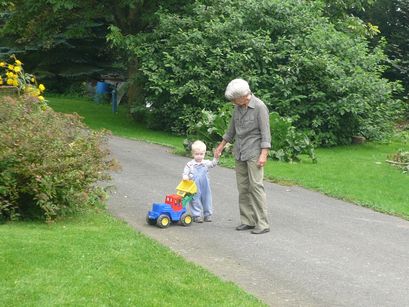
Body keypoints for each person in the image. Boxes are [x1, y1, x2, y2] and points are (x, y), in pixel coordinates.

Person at [214, 78, 271, 234]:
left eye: (234, 99)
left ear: (244, 95)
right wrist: (220, 147)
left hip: (254, 152)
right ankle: (248, 220)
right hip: (239, 152)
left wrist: (264, 154)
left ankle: (263, 223)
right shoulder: (238, 108)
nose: (232, 102)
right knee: (243, 188)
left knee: (256, 187)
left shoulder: (260, 107)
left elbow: (266, 134)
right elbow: (230, 131)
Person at [183, 140, 218, 223]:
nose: (199, 156)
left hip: (205, 185)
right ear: (193, 154)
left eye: (201, 154)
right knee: (195, 199)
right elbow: (185, 172)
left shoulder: (205, 163)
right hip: (194, 186)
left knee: (207, 198)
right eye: (197, 154)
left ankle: (207, 214)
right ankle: (197, 215)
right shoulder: (190, 164)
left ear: (204, 154)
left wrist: (216, 158)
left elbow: (213, 164)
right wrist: (185, 176)